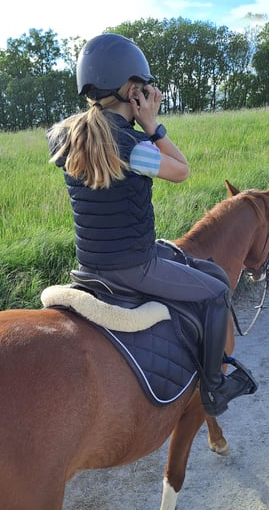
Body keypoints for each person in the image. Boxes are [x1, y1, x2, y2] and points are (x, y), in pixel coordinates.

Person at [46, 33, 253, 416]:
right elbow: (182, 171)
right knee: (214, 292)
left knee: (206, 269)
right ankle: (214, 388)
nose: (150, 92)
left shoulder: (66, 136)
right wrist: (153, 125)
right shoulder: (137, 148)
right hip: (135, 265)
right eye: (144, 87)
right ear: (130, 90)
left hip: (92, 263)